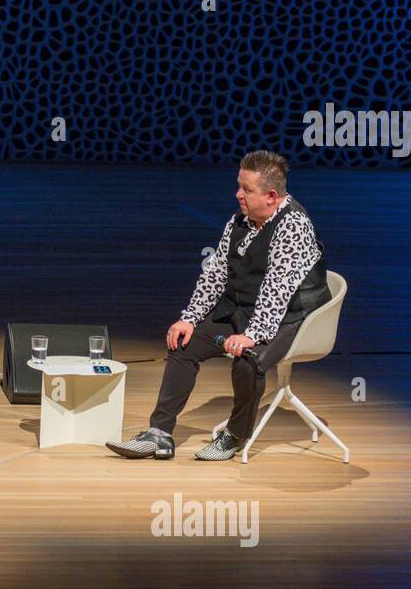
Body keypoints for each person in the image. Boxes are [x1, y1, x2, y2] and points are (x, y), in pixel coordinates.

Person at [108, 150, 330, 462]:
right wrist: (189, 318)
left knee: (248, 360)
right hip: (244, 309)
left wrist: (254, 335)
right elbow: (215, 275)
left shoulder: (293, 225)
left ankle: (235, 436)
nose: (238, 194)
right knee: (184, 343)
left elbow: (276, 288)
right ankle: (159, 434)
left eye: (246, 189)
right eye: (239, 186)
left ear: (271, 196)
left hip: (291, 319)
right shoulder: (239, 220)